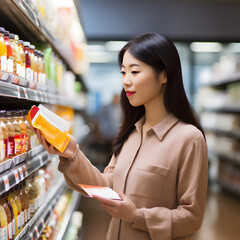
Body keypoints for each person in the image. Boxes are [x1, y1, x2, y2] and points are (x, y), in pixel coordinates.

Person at [34, 32, 208, 240]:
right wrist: (71, 154)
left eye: (134, 72)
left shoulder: (189, 139)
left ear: (164, 75)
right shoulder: (131, 133)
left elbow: (192, 217)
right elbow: (106, 186)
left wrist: (136, 216)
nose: (126, 81)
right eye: (123, 72)